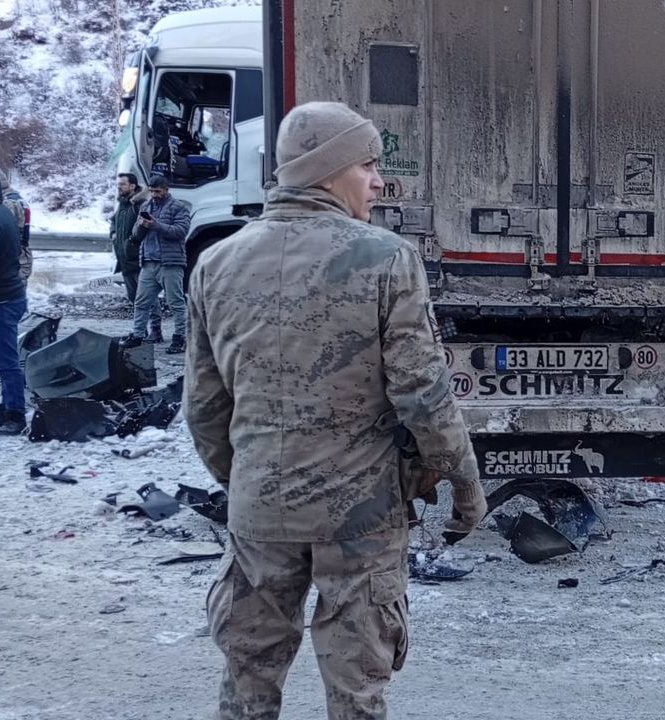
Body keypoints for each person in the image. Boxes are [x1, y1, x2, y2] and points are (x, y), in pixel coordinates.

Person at [185, 101, 488, 719]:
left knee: (247, 675)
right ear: (327, 171)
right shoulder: (385, 258)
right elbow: (422, 393)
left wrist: (247, 481)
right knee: (357, 687)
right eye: (367, 165)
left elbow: (204, 407)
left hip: (260, 508)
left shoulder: (216, 263)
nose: (378, 181)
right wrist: (463, 481)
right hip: (360, 514)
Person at [119, 174, 189, 353]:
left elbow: (181, 231)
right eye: (151, 191)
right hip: (148, 262)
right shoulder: (146, 206)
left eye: (157, 191)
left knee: (176, 302)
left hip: (170, 263)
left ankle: (180, 337)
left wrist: (156, 225)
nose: (154, 195)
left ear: (166, 189)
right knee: (141, 302)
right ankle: (138, 335)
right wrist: (141, 226)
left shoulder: (178, 207)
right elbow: (136, 234)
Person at [0, 169, 27, 435]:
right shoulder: (2, 211)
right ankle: (6, 409)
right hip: (9, 295)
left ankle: (15, 415)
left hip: (1, 300)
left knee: (6, 362)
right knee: (3, 359)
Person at [109, 173, 163, 342]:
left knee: (148, 297)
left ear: (132, 186)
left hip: (139, 259)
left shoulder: (140, 204)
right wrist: (113, 233)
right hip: (125, 260)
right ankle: (141, 331)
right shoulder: (123, 204)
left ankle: (156, 330)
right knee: (134, 298)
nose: (119, 187)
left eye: (122, 184)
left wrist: (132, 241)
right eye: (118, 184)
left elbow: (148, 227)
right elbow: (113, 221)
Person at [0, 166, 31, 284]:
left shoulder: (7, 203)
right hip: (22, 254)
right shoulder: (18, 199)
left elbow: (3, 236)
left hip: (12, 260)